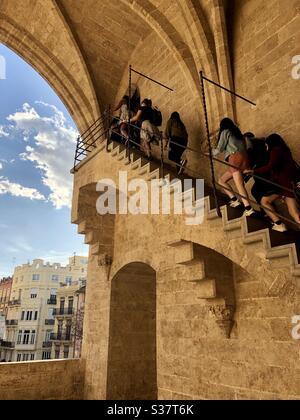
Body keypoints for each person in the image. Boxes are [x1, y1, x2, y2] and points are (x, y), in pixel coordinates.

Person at [244, 134, 300, 232]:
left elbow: (270, 166)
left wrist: (254, 171)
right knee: (293, 212)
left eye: (267, 144)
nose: (266, 147)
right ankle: (277, 223)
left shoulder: (276, 150)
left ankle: (278, 223)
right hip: (287, 185)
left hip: (284, 185)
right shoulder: (285, 151)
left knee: (293, 212)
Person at [213, 118, 255, 217]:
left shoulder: (225, 131)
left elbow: (220, 148)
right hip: (244, 159)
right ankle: (234, 199)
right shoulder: (238, 134)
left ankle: (248, 208)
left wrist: (210, 153)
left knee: (239, 185)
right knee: (222, 180)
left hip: (234, 158)